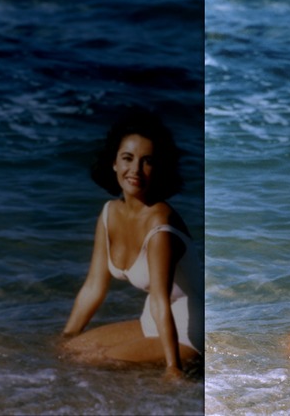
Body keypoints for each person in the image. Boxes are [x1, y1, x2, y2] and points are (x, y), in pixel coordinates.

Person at [62, 108, 203, 380]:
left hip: (187, 331)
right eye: (128, 158)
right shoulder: (109, 213)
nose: (135, 170)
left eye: (147, 161)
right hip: (150, 322)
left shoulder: (161, 224)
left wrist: (173, 368)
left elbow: (161, 298)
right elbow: (93, 286)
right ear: (114, 162)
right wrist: (67, 334)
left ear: (158, 167)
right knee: (68, 351)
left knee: (91, 362)